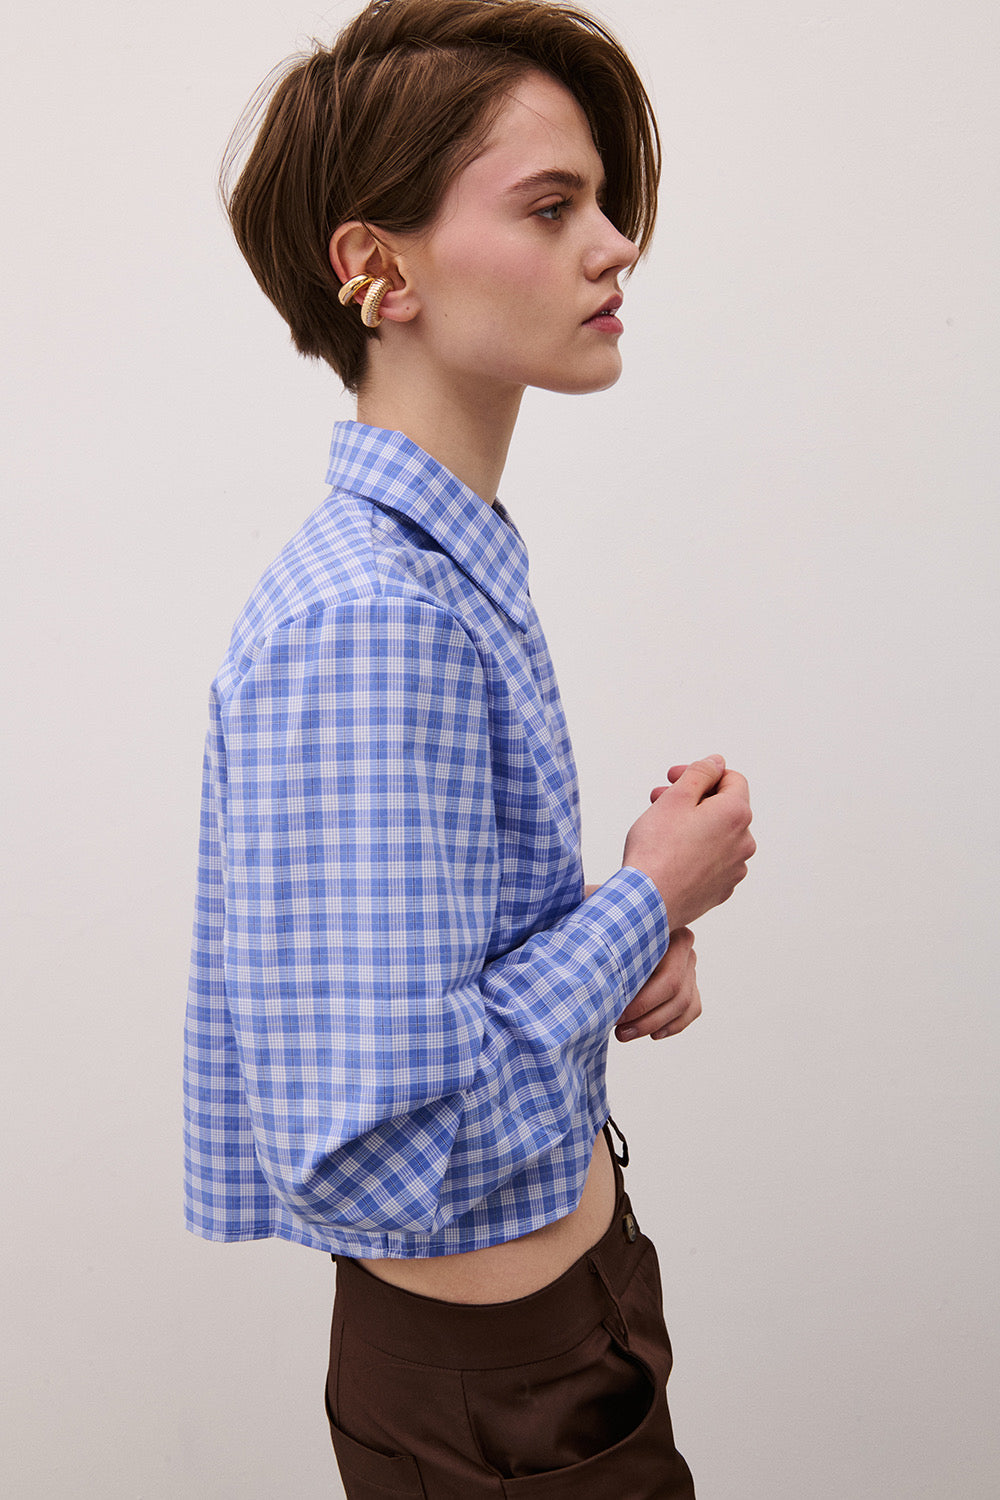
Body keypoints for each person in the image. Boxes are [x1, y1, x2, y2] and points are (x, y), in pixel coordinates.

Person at [184, 2, 755, 1494]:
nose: (616, 245)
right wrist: (651, 894)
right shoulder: (373, 616)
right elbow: (381, 1141)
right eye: (552, 207)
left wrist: (614, 944)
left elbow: (440, 1001)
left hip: (551, 1330)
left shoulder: (441, 567)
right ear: (377, 270)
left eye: (603, 203)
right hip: (501, 1392)